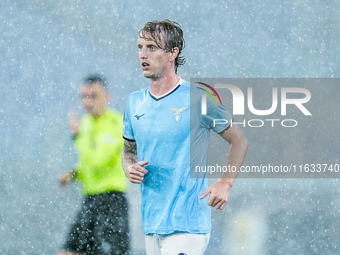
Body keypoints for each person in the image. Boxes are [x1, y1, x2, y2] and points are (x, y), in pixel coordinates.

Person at [122, 19, 248, 255]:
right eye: (140, 47)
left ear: (173, 53)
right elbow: (128, 151)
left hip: (188, 223)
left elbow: (239, 140)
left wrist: (226, 182)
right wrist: (129, 168)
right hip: (152, 224)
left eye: (151, 47)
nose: (142, 54)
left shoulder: (197, 97)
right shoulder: (134, 102)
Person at [58, 75, 129, 255]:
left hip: (111, 200)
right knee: (68, 252)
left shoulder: (116, 123)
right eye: (83, 96)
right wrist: (73, 174)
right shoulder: (86, 123)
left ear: (107, 96)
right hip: (90, 200)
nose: (87, 102)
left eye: (93, 96)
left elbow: (99, 161)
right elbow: (88, 164)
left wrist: (77, 137)